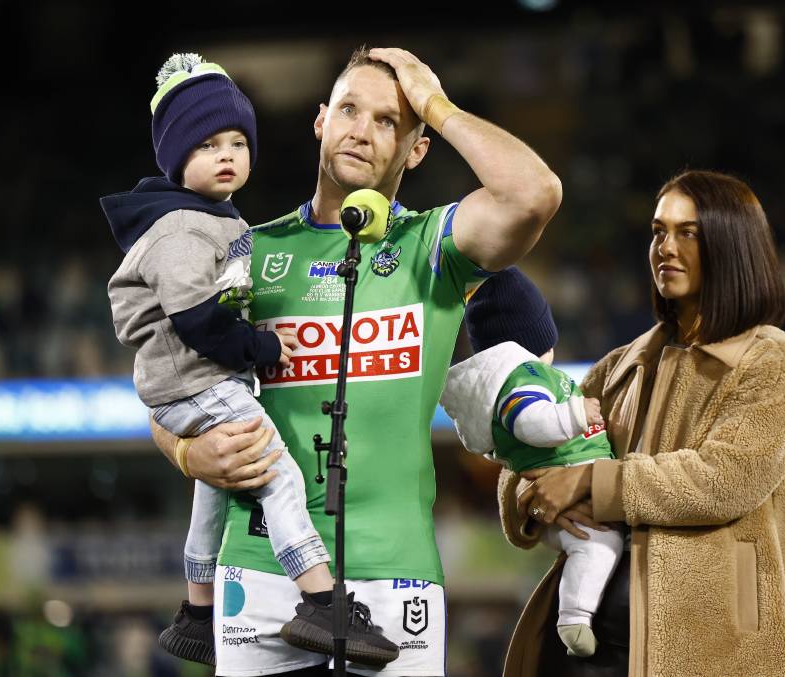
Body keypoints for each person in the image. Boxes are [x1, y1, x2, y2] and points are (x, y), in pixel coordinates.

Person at [150, 45, 562, 676]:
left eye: (388, 121)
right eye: (348, 109)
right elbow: (165, 387)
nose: (361, 132)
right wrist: (187, 453)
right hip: (258, 573)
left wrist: (437, 105)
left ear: (416, 149)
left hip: (395, 575)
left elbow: (533, 194)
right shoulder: (244, 251)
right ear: (321, 121)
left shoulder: (434, 247)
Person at [101, 53, 397, 667]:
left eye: (237, 141)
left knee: (213, 493)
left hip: (191, 382)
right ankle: (320, 600)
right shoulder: (181, 225)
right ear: (177, 156)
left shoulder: (212, 215)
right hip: (197, 380)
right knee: (278, 476)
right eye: (208, 144)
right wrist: (259, 348)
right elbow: (196, 320)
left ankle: (196, 614)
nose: (228, 154)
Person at [499, 170, 785, 676]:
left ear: (732, 245)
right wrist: (530, 494)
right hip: (592, 648)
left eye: (687, 232)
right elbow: (524, 454)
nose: (665, 248)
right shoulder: (620, 365)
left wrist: (586, 480)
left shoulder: (780, 364)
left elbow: (722, 480)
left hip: (715, 652)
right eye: (657, 231)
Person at [439, 267, 621, 658]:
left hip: (575, 494)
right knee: (600, 547)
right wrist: (576, 416)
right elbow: (529, 422)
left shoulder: (527, 375)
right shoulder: (524, 377)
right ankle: (574, 617)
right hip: (576, 511)